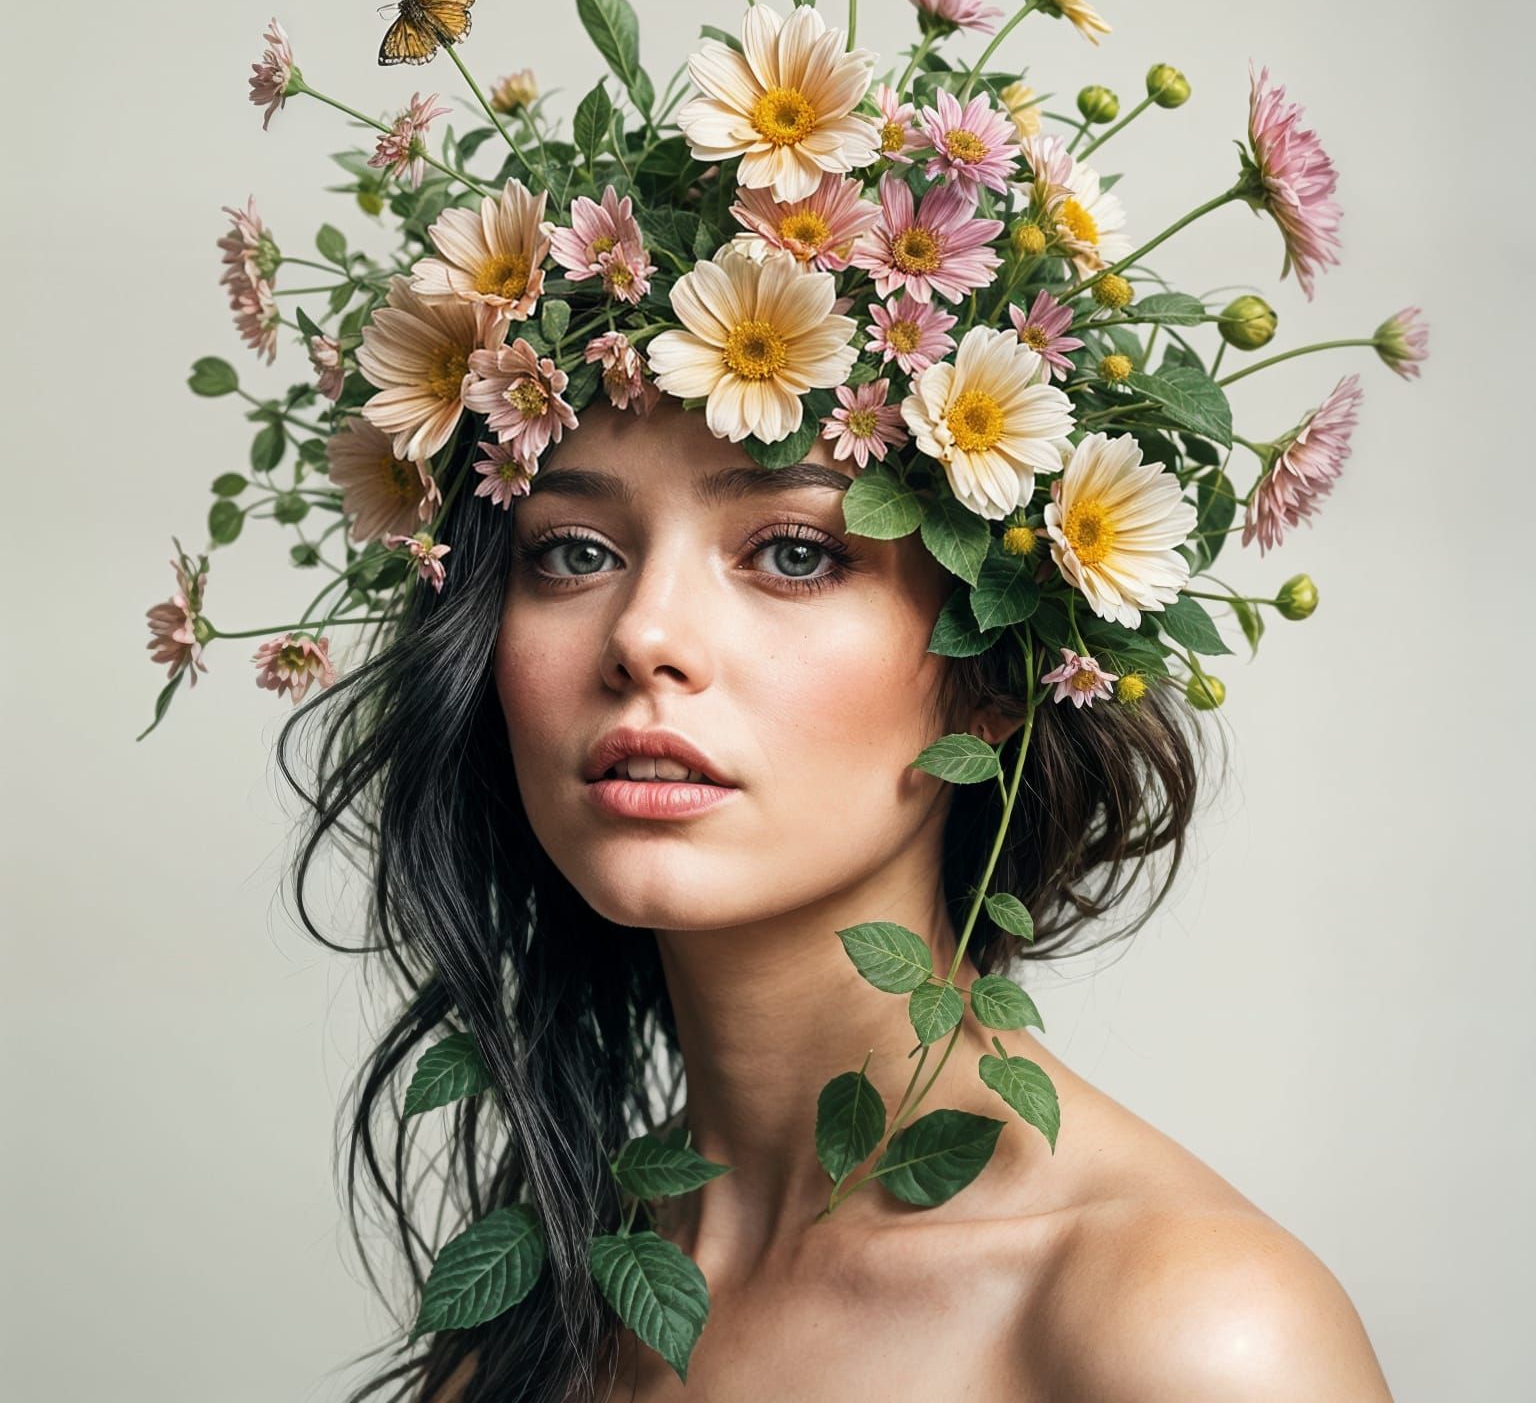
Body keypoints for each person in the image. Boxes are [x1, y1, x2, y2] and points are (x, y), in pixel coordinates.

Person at [283, 395, 1392, 1403]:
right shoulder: (529, 1323)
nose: (642, 636)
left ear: (1000, 675)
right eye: (574, 552)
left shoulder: (1193, 1337)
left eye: (794, 555)